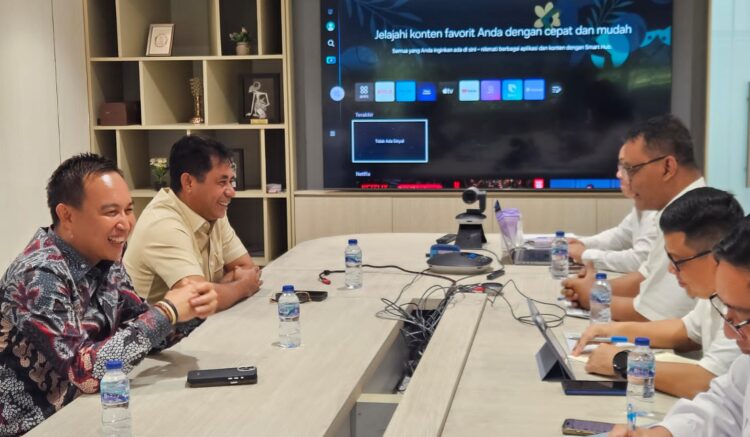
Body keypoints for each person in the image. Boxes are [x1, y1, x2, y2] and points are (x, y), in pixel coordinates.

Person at [0, 154, 218, 435]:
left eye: (128, 209)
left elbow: (143, 334)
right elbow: (84, 373)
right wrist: (167, 311)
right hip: (36, 427)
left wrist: (192, 305)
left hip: (89, 413)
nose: (126, 223)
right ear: (67, 215)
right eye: (111, 212)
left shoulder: (104, 258)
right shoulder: (38, 276)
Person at [572, 187, 743, 399]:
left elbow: (707, 382)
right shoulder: (713, 292)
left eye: (677, 260)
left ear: (715, 256)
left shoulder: (741, 302)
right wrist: (610, 329)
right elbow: (684, 330)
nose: (671, 270)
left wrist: (622, 361)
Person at [608, 216, 750, 436]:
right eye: (726, 309)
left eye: (742, 317)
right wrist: (663, 433)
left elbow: (703, 381)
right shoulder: (745, 366)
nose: (728, 332)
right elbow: (724, 409)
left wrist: (622, 361)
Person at [562, 114, 705, 321]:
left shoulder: (693, 218)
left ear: (667, 168)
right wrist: (596, 288)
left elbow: (657, 315)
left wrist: (592, 296)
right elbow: (645, 277)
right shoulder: (676, 209)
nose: (624, 177)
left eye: (630, 169)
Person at [124, 135, 262, 310]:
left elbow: (247, 268)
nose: (231, 192)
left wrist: (215, 289)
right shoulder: (162, 223)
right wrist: (242, 287)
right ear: (188, 182)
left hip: (200, 323)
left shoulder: (213, 211)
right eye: (222, 182)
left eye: (231, 181)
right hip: (156, 327)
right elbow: (198, 300)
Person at [568, 146, 658, 273]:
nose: (618, 174)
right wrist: (582, 244)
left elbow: (641, 261)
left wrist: (585, 255)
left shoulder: (660, 206)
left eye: (627, 167)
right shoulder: (645, 200)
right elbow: (621, 236)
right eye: (620, 166)